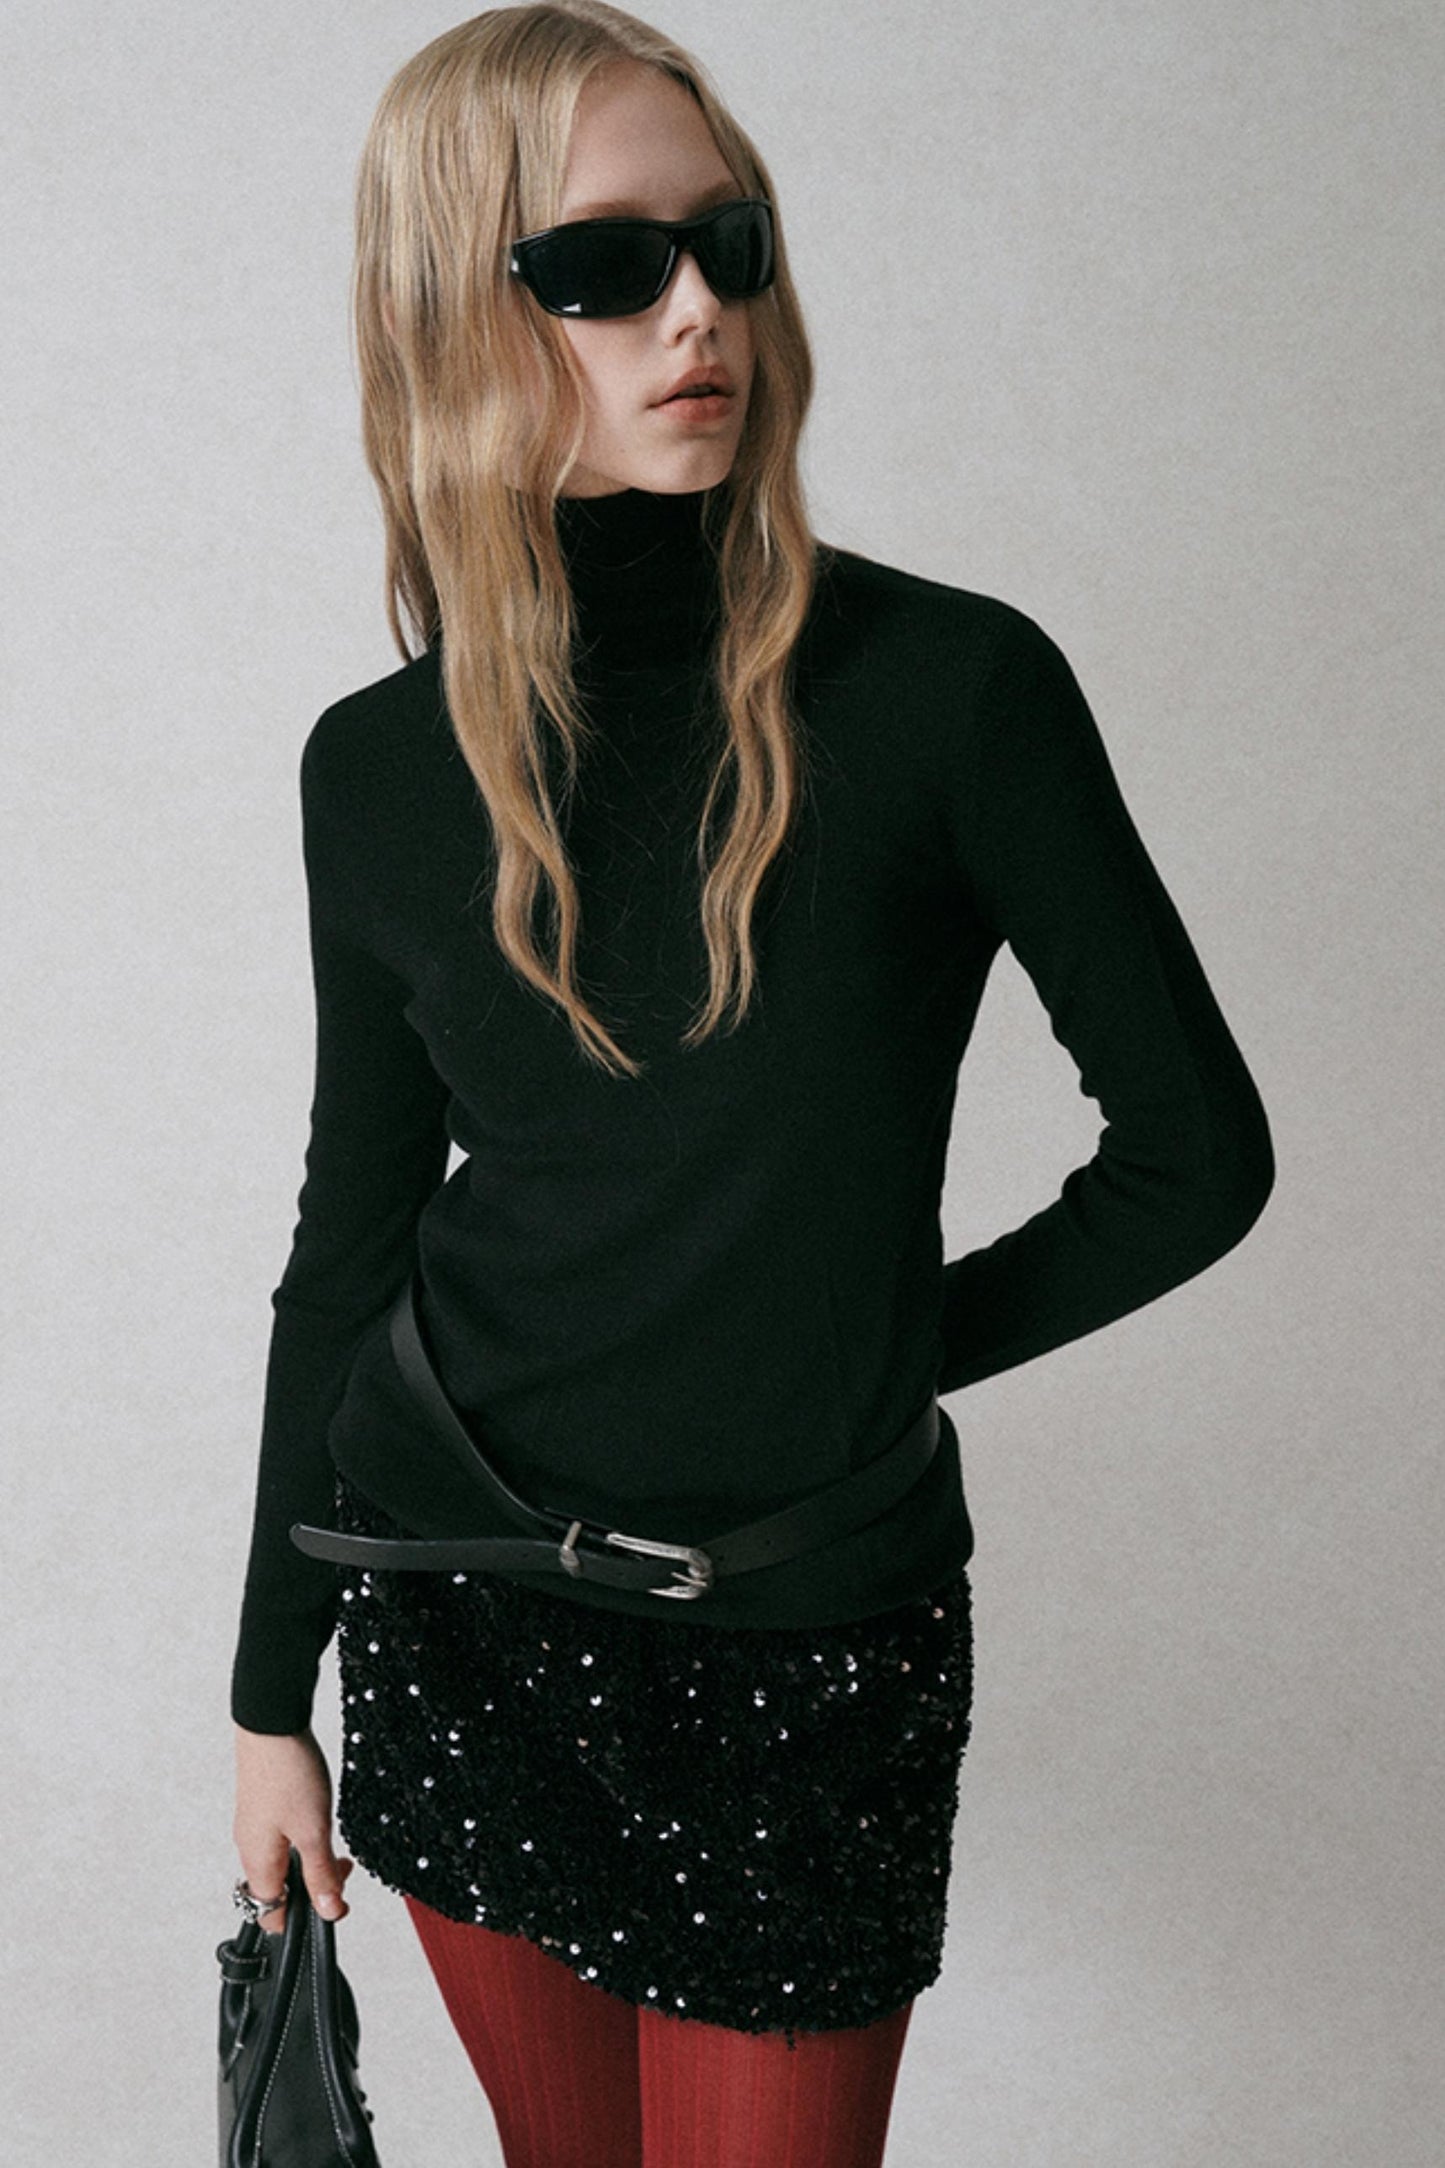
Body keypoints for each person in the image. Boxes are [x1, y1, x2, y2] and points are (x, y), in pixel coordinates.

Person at [228, 6, 1275, 2164]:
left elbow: (1196, 1157)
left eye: (728, 240)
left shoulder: (951, 690)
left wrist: (872, 1343)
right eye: (606, 266)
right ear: (451, 311)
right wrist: (266, 1696)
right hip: (458, 1599)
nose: (696, 306)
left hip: (808, 1632)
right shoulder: (381, 766)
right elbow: (350, 1236)